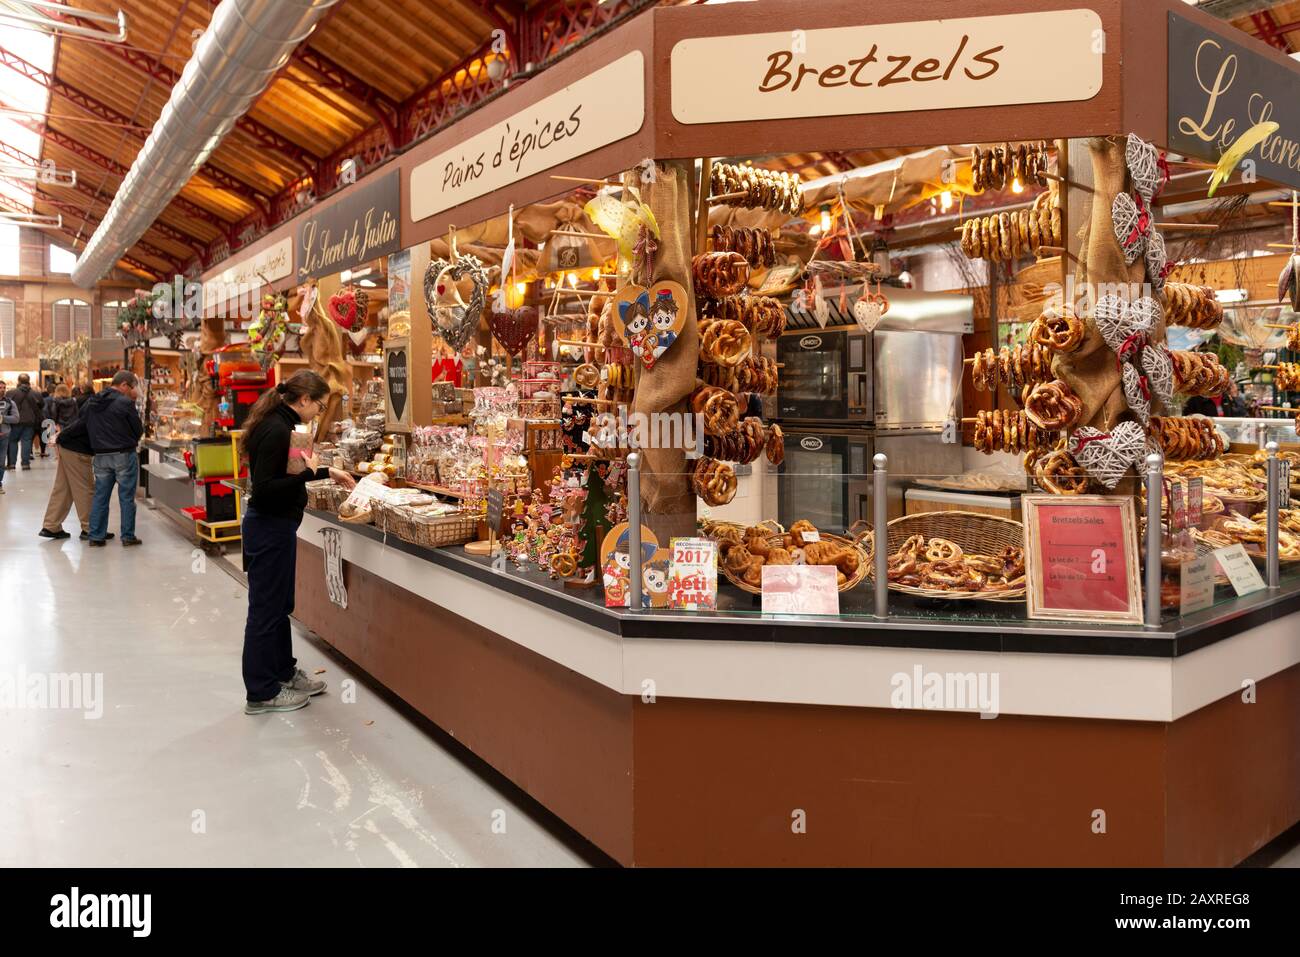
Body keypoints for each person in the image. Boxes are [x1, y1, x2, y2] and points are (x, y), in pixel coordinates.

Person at [240, 371, 354, 715]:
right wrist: (308, 474)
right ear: (303, 400)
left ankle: (283, 672)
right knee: (265, 610)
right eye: (318, 406)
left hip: (278, 527)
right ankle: (260, 692)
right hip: (269, 528)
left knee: (279, 604)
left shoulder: (279, 423)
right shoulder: (276, 430)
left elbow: (286, 473)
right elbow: (266, 488)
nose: (318, 412)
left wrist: (326, 472)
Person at [84, 370, 144, 547]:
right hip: (123, 454)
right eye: (131, 387)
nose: (131, 391)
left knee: (100, 496)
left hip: (100, 455)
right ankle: (127, 536)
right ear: (124, 384)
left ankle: (96, 536)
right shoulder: (125, 402)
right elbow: (138, 429)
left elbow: (84, 423)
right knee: (126, 497)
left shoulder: (92, 401)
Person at [37, 405, 106, 541]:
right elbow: (80, 425)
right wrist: (60, 436)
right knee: (85, 489)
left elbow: (78, 423)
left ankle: (51, 525)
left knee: (64, 489)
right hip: (77, 450)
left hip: (69, 447)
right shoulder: (101, 407)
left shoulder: (96, 404)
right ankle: (91, 528)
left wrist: (60, 436)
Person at [6, 373, 42, 469]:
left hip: (15, 421)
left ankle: (12, 464)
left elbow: (7, 406)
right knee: (26, 441)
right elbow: (41, 405)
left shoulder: (11, 393)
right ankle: (25, 464)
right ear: (29, 381)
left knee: (13, 441)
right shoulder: (36, 393)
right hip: (30, 421)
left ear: (18, 381)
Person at [0, 381, 17, 493]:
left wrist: (3, 418)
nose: (2, 389)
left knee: (1, 462)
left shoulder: (10, 403)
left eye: (4, 387)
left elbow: (16, 418)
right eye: (0, 387)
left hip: (4, 435)